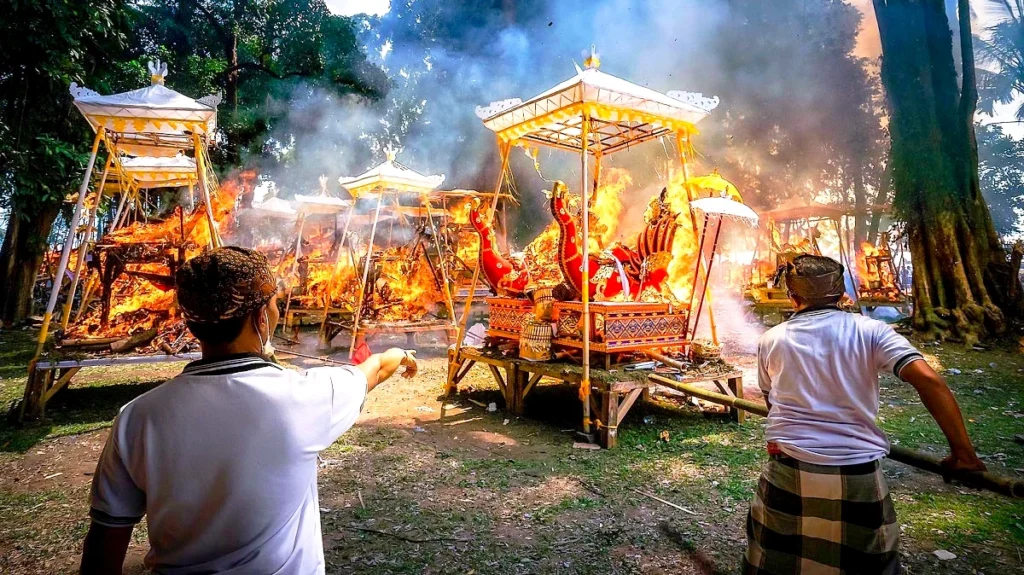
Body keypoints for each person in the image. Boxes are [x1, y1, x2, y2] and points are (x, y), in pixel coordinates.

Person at [79, 246, 418, 575]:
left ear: (193, 323)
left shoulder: (136, 418)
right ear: (260, 317)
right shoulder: (305, 397)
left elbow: (105, 543)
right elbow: (372, 371)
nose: (277, 312)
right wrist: (400, 354)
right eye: (273, 304)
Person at [744, 254, 985, 575]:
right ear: (843, 294)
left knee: (777, 564)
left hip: (789, 469)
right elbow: (929, 380)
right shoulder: (872, 331)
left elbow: (773, 404)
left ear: (793, 297)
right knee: (868, 567)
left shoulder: (771, 340)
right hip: (858, 474)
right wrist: (963, 454)